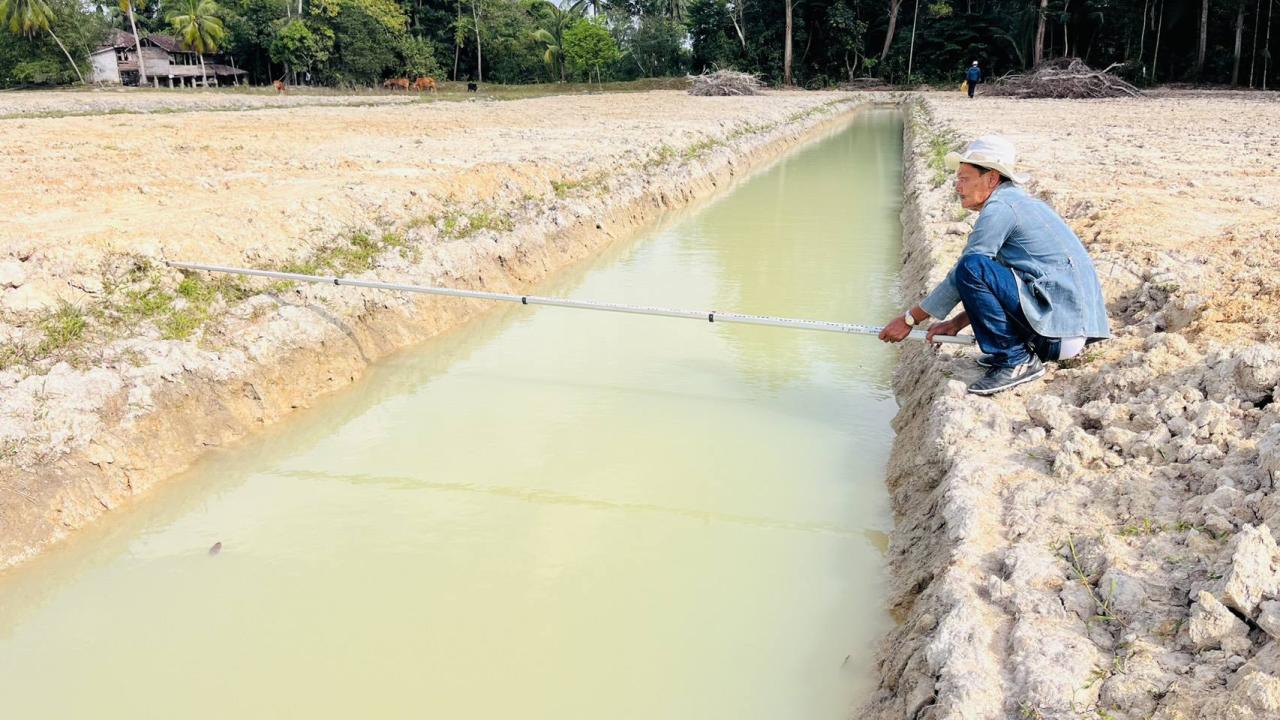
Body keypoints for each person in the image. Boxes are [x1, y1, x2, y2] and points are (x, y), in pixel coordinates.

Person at [878, 135, 1110, 396]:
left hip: (1058, 334)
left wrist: (909, 319)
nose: (957, 187)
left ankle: (1016, 359)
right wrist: (956, 323)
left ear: (991, 179)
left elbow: (966, 274)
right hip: (1065, 331)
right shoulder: (1016, 202)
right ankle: (1013, 353)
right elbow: (996, 286)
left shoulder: (1001, 208)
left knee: (971, 265)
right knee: (978, 267)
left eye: (964, 178)